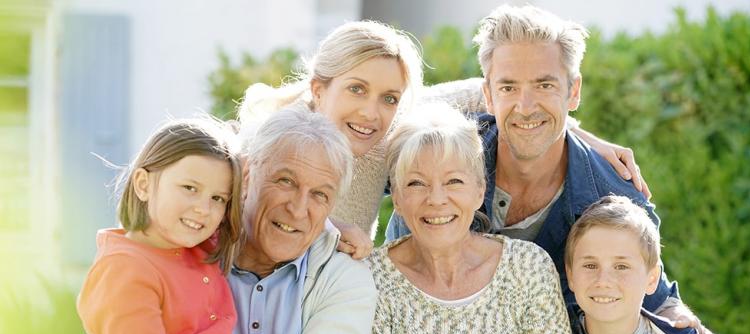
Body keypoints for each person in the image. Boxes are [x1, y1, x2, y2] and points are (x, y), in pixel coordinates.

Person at [386, 4, 726, 334]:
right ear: (487, 96)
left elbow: (655, 293)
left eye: (545, 85)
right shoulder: (440, 158)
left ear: (574, 91)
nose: (525, 106)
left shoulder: (614, 194)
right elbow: (366, 126)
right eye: (508, 87)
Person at [61, 107, 378, 334]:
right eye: (285, 181)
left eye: (320, 196)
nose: (298, 209)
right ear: (247, 174)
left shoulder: (344, 278)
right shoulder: (174, 251)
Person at [239, 20, 650, 259]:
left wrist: (581, 135)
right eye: (356, 90)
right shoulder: (279, 140)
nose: (370, 111)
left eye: (388, 98)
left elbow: (497, 93)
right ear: (318, 87)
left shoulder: (386, 130)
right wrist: (335, 228)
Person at [356, 102, 603, 334]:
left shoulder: (526, 267)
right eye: (417, 183)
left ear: (479, 190)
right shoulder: (373, 278)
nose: (437, 199)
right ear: (398, 199)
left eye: (454, 182)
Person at [565, 195, 723, 334]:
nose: (604, 281)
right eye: (590, 265)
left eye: (621, 266)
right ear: (570, 275)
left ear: (652, 279)